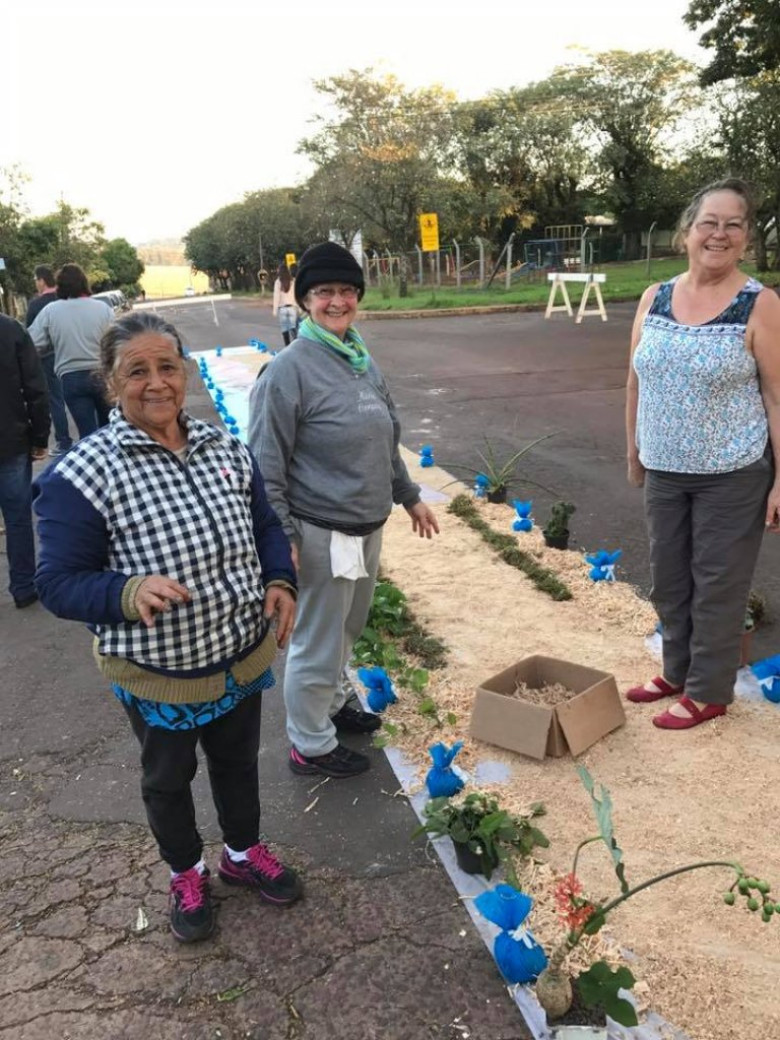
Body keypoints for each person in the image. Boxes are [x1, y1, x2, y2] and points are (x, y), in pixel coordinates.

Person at [33, 311, 301, 943]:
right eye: (137, 371)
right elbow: (57, 581)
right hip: (159, 675)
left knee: (237, 763)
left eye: (168, 366)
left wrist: (280, 580)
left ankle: (241, 854)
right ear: (109, 382)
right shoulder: (84, 472)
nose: (156, 383)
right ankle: (186, 871)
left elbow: (264, 522)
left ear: (185, 371)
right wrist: (126, 591)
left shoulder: (223, 447)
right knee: (167, 779)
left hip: (239, 653)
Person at [248, 241, 440, 779]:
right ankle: (309, 744)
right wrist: (282, 538)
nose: (338, 301)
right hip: (318, 531)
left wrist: (408, 496)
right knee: (316, 640)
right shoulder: (288, 371)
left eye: (348, 291)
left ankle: (331, 705)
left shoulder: (358, 357)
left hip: (364, 526)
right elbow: (265, 465)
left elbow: (387, 436)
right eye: (325, 292)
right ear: (305, 300)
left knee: (347, 630)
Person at [625, 178, 780, 730]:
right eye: (708, 222)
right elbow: (636, 380)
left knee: (717, 584)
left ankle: (709, 691)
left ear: (745, 238)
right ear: (686, 232)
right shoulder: (656, 297)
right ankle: (677, 670)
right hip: (666, 468)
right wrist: (634, 450)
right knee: (669, 578)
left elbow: (776, 395)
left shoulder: (760, 304)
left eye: (733, 224)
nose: (720, 233)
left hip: (732, 473)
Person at [29, 263, 113, 439]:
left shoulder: (51, 311)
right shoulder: (103, 308)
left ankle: (91, 463)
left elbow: (32, 342)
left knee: (87, 435)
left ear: (60, 286)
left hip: (71, 378)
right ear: (84, 283)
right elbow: (118, 341)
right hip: (102, 374)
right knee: (110, 430)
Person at [0, 314, 50, 608]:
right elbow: (35, 386)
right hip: (10, 438)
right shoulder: (10, 329)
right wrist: (40, 436)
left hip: (12, 438)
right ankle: (23, 585)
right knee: (17, 518)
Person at [25, 265, 72, 457]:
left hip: (47, 358)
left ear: (42, 280)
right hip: (68, 353)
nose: (35, 284)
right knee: (75, 396)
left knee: (55, 400)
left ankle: (64, 441)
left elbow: (28, 337)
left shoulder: (37, 305)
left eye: (36, 280)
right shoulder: (66, 299)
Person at [272, 261, 298, 347]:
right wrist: (298, 307)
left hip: (282, 309)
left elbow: (276, 296)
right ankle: (296, 346)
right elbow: (296, 295)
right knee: (293, 328)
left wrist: (275, 310)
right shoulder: (293, 281)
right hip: (292, 308)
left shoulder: (278, 282)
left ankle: (287, 346)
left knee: (284, 330)